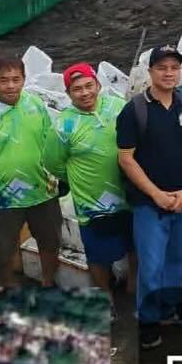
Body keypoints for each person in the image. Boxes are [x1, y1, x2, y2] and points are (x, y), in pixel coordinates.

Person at [116, 44, 182, 349]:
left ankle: (170, 307)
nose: (169, 73)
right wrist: (156, 194)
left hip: (180, 199)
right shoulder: (135, 111)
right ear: (150, 72)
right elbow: (126, 158)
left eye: (174, 68)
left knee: (176, 259)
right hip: (149, 204)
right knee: (151, 264)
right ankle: (148, 320)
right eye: (162, 68)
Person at [0, 54, 64, 288]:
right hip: (4, 198)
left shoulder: (36, 105)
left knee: (50, 242)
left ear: (24, 80)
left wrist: (60, 175)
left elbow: (49, 143)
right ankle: (9, 288)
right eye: (4, 80)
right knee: (3, 250)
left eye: (16, 79)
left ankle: (48, 283)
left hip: (42, 190)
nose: (10, 86)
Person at [56, 63, 133, 293]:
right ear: (69, 94)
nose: (85, 92)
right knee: (98, 255)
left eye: (89, 85)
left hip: (128, 191)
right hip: (92, 202)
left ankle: (134, 287)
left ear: (98, 85)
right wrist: (79, 178)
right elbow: (53, 162)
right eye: (77, 88)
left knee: (134, 245)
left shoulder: (119, 107)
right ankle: (104, 296)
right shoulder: (63, 124)